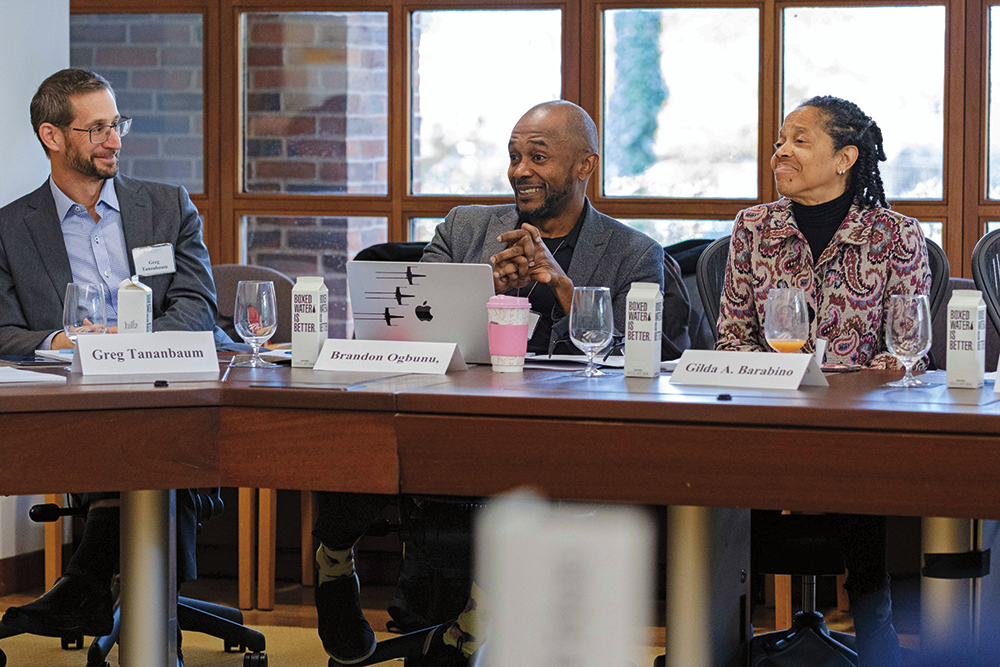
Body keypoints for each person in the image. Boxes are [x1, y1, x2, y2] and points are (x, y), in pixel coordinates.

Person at [313, 100, 691, 667]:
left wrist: (565, 288)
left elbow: (660, 357)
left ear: (585, 166)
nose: (520, 170)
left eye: (538, 157)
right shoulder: (466, 228)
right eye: (514, 156)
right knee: (356, 425)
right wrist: (482, 284)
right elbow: (410, 332)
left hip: (559, 429)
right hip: (444, 419)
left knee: (552, 458)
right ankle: (333, 561)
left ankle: (475, 620)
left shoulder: (634, 253)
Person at [0, 69, 224, 651]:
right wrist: (60, 343)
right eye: (96, 127)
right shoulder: (9, 229)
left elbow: (198, 305)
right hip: (77, 406)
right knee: (155, 460)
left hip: (168, 392)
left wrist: (133, 349)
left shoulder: (168, 206)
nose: (114, 139)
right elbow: (0, 332)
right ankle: (129, 615)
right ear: (53, 136)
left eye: (116, 123)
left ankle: (86, 586)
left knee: (158, 446)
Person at [717, 95, 930, 667]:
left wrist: (863, 384)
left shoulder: (896, 235)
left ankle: (878, 639)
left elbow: (908, 353)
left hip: (862, 432)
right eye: (780, 140)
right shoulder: (753, 229)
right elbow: (732, 340)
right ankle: (718, 642)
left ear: (845, 158)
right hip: (768, 423)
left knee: (857, 473)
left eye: (800, 140)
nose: (780, 151)